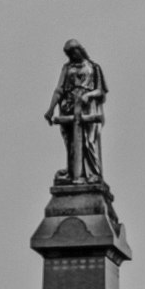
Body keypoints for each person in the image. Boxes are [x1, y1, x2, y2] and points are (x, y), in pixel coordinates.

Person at [45, 40, 107, 183]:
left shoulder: (93, 67)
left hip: (87, 107)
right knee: (71, 143)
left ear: (80, 50)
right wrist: (51, 109)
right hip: (68, 107)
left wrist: (88, 95)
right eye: (69, 54)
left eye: (74, 52)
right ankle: (74, 173)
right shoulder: (67, 68)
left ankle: (93, 173)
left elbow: (100, 91)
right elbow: (59, 90)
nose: (73, 56)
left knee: (89, 141)